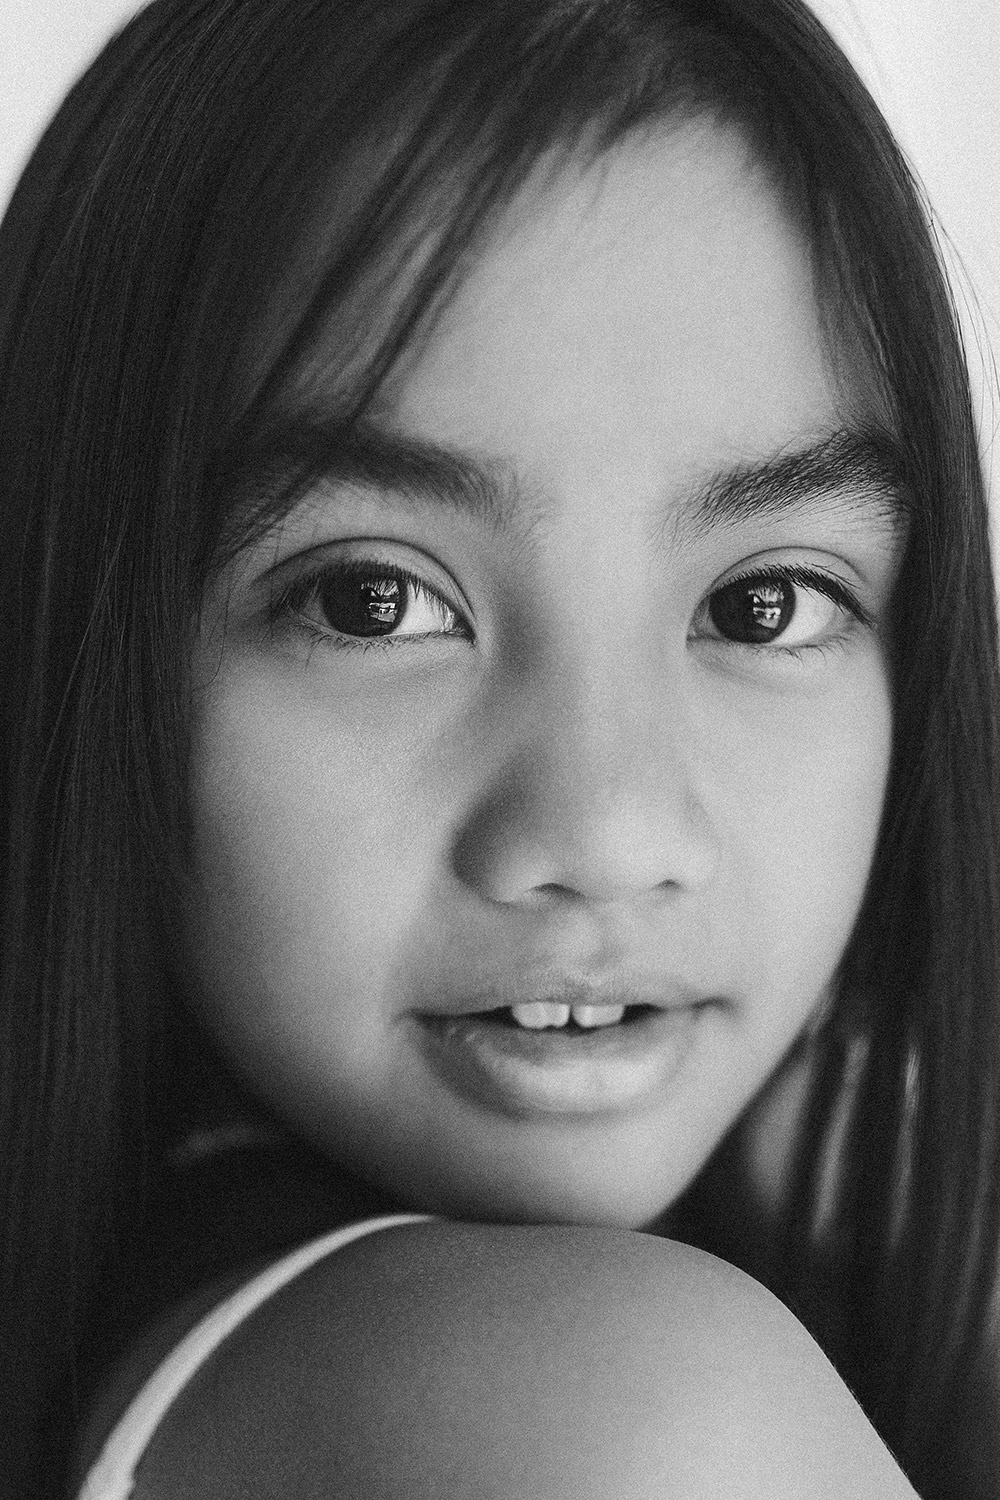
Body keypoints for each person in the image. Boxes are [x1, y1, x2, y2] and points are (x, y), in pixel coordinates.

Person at [1, 0, 998, 1495]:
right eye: (373, 599)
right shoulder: (620, 1415)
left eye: (764, 603)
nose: (606, 831)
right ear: (77, 612)